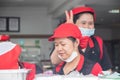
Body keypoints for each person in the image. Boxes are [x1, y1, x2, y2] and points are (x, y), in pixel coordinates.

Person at [50, 6, 112, 72]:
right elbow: (54, 61)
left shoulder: (97, 41)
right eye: (83, 23)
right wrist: (68, 31)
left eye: (90, 23)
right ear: (74, 24)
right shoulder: (66, 40)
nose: (87, 27)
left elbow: (107, 68)